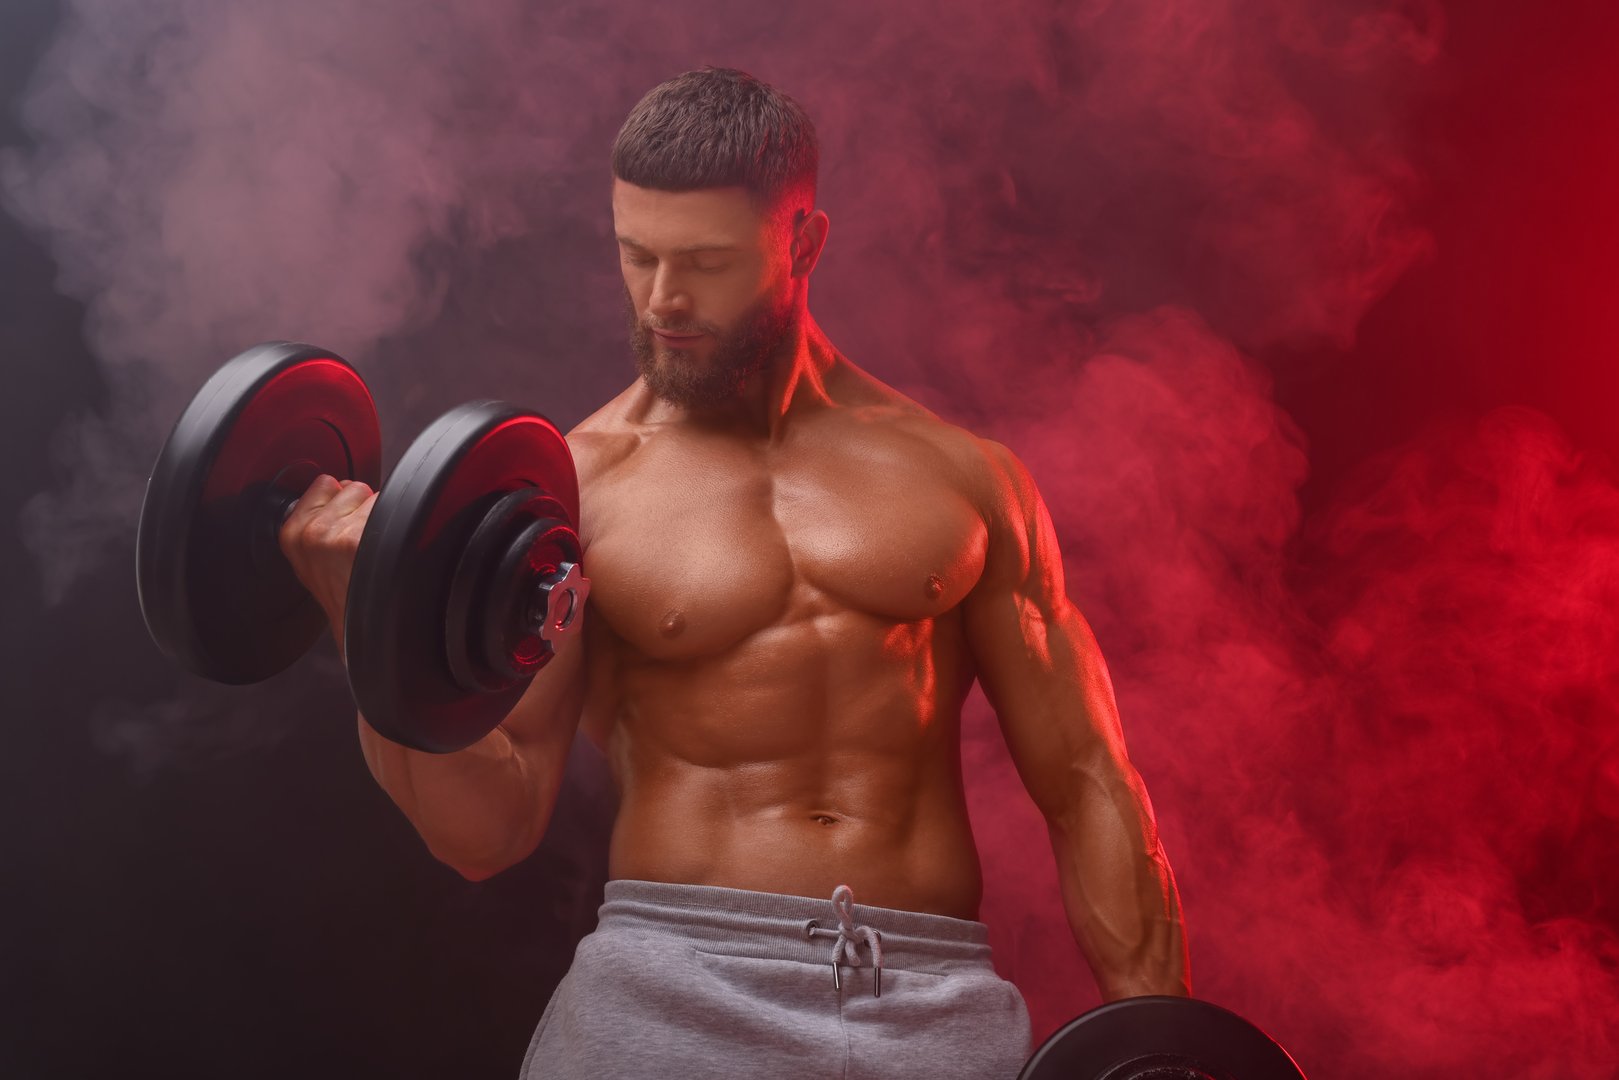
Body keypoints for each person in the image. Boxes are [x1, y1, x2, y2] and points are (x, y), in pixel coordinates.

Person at [279, 67, 1189, 1080]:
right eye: (636, 256)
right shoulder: (571, 492)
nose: (663, 299)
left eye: (706, 262)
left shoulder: (964, 477)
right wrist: (367, 619)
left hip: (929, 1007)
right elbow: (487, 828)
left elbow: (1085, 782)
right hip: (668, 995)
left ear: (802, 244)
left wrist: (1160, 1041)